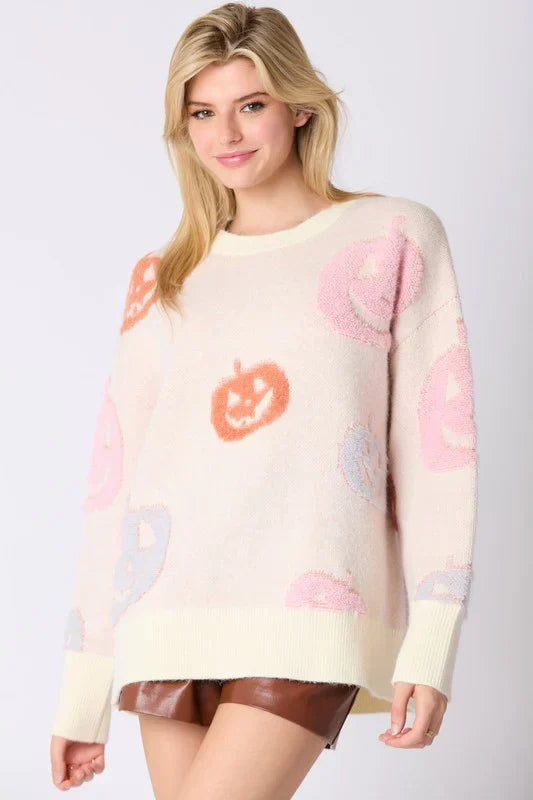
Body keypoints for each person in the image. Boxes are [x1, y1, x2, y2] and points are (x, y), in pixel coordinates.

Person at [49, 2, 479, 797]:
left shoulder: (389, 236)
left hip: (308, 606)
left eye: (250, 104)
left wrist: (430, 645)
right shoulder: (165, 276)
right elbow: (117, 484)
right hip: (166, 614)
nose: (227, 134)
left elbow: (435, 455)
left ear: (299, 107)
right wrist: (84, 687)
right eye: (202, 113)